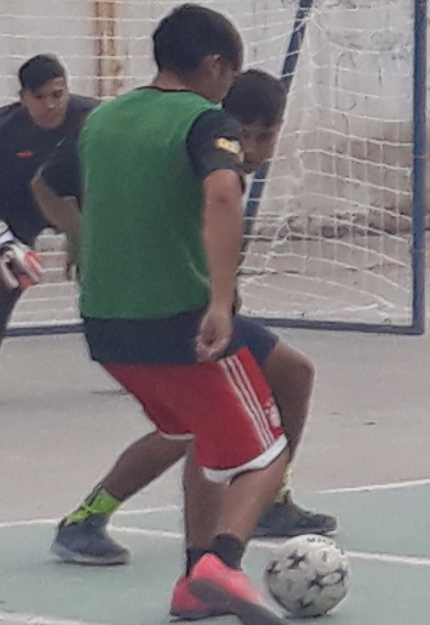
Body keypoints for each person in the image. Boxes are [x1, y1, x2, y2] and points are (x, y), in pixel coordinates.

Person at [54, 2, 290, 625]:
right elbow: (222, 193)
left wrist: (80, 237)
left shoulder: (102, 120)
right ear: (214, 65)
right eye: (229, 73)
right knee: (265, 455)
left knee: (203, 439)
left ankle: (192, 586)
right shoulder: (206, 121)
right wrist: (220, 300)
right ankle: (223, 563)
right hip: (179, 319)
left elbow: (57, 186)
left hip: (105, 325)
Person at [43, 69, 338, 565]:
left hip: (173, 313)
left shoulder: (209, 153)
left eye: (267, 134)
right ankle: (106, 522)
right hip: (170, 314)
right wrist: (81, 235)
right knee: (196, 432)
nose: (256, 148)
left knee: (290, 374)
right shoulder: (199, 150)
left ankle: (266, 502)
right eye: (249, 135)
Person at [0, 54, 90, 404]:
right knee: (10, 279)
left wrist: (82, 235)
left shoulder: (92, 117)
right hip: (19, 207)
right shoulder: (0, 130)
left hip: (74, 201)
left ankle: (129, 361)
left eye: (57, 95)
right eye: (39, 97)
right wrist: (2, 240)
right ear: (23, 98)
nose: (50, 105)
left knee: (106, 274)